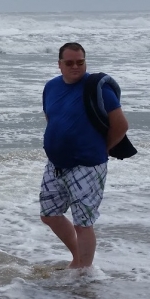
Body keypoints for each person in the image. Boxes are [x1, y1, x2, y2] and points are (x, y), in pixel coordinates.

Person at [39, 42, 129, 269]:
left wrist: (103, 149)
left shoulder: (99, 89)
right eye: (69, 63)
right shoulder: (51, 87)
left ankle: (83, 272)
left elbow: (121, 125)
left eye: (80, 62)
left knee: (83, 223)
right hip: (56, 164)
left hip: (88, 165)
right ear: (59, 64)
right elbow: (51, 117)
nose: (75, 67)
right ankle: (78, 257)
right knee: (49, 215)